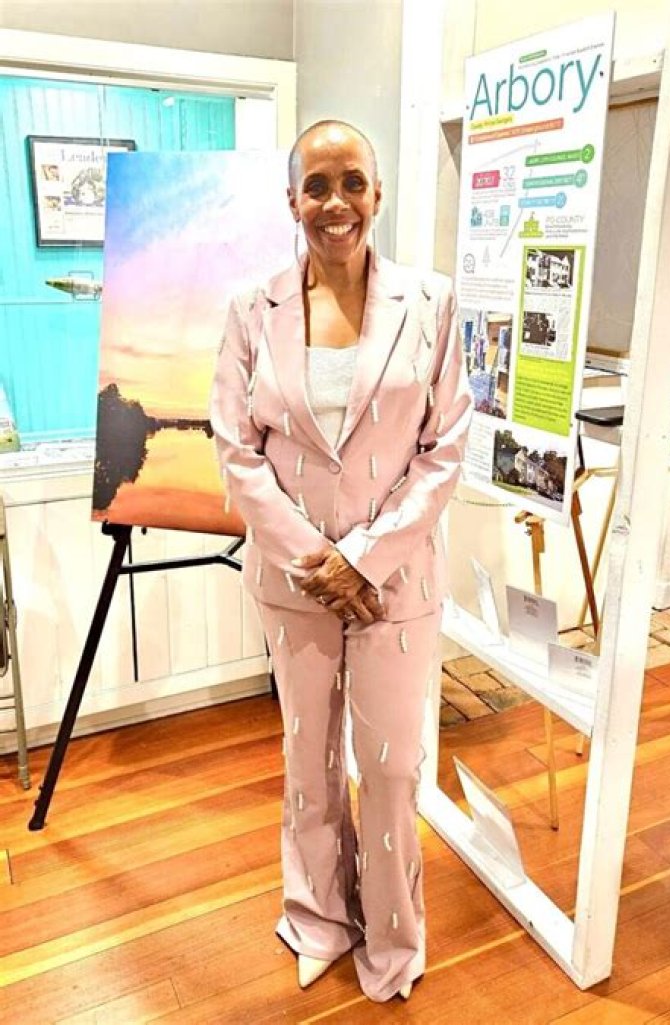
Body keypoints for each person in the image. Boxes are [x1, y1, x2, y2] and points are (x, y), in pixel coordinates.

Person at [211, 119, 471, 1003]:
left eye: (352, 182)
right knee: (309, 759)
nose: (336, 202)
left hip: (396, 583)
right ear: (292, 201)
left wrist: (363, 559)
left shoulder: (431, 304)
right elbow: (235, 448)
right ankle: (318, 916)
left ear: (377, 193)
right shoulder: (252, 310)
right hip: (294, 586)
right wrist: (316, 558)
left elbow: (444, 449)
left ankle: (393, 938)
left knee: (391, 768)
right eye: (317, 185)